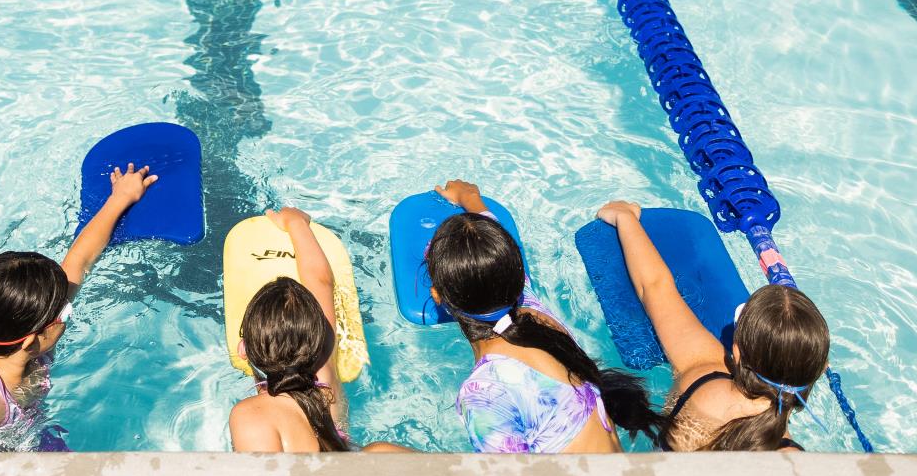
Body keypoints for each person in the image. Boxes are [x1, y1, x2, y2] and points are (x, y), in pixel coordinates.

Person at [0, 163, 156, 451]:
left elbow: (79, 260)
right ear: (31, 341)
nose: (67, 310)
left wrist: (120, 198)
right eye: (64, 313)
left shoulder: (24, 332)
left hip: (25, 440)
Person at [426, 180, 659, 454]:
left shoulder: (485, 392)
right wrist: (470, 197)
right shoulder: (535, 316)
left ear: (437, 296)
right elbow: (497, 247)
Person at [595, 201, 830, 452]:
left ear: (737, 351)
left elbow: (654, 287)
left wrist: (625, 218)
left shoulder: (701, 375)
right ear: (821, 369)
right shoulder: (791, 458)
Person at [230, 208, 411, 454]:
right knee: (378, 451)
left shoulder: (250, 415)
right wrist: (297, 223)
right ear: (321, 341)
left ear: (243, 350)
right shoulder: (325, 372)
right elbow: (320, 281)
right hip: (346, 461)